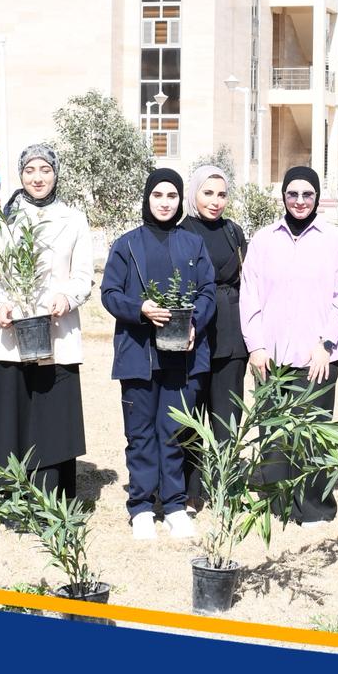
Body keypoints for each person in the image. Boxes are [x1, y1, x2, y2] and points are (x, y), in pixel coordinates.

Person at [0, 144, 92, 495]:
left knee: (51, 414)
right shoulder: (3, 219)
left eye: (45, 170)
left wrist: (68, 297)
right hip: (9, 331)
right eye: (30, 170)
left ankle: (49, 492)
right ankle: (3, 491)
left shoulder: (74, 219)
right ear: (20, 174)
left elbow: (83, 275)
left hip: (56, 329)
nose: (37, 178)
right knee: (9, 413)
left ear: (56, 173)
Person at [101, 168, 215, 540]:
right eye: (158, 195)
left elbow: (207, 291)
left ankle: (175, 505)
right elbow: (110, 293)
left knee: (174, 431)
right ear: (147, 198)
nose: (165, 203)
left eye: (172, 196)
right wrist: (140, 309)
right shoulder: (127, 244)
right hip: (138, 354)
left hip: (182, 355)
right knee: (140, 433)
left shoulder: (192, 244)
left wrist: (194, 321)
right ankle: (142, 507)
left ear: (180, 201)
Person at [240, 165, 338, 526]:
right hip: (271, 357)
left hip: (318, 357)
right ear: (283, 196)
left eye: (308, 194)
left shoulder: (334, 240)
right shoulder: (263, 240)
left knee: (313, 433)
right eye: (293, 193)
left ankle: (314, 507)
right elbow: (249, 295)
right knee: (274, 433)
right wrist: (256, 346)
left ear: (317, 197)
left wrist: (325, 344)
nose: (300, 201)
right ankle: (279, 504)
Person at [179, 164, 249, 512]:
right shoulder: (180, 231)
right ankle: (191, 490)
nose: (215, 201)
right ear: (194, 194)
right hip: (193, 335)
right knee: (191, 416)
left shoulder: (233, 232)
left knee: (227, 417)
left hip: (231, 334)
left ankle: (227, 487)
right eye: (208, 193)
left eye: (221, 194)